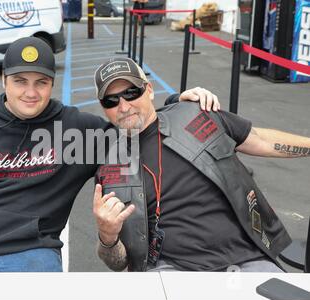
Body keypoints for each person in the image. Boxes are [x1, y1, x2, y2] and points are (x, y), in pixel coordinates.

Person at [0, 37, 220, 273]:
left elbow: (136, 130)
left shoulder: (76, 130)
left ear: (52, 84)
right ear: (3, 80)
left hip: (29, 254)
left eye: (41, 82)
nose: (30, 92)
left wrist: (177, 105)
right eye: (20, 81)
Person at [92, 57, 310, 272]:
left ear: (149, 89)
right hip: (172, 271)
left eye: (131, 93)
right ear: (103, 108)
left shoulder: (195, 114)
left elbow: (260, 140)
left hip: (247, 259)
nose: (123, 106)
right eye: (111, 100)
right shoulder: (109, 169)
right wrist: (107, 237)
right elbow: (118, 262)